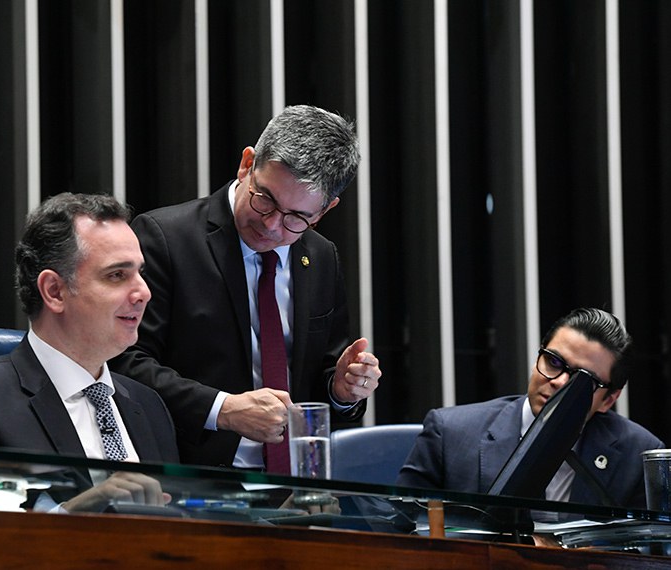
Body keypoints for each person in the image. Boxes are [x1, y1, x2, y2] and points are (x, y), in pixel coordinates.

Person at [111, 105, 382, 471]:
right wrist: (224, 409)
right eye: (265, 199)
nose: (271, 225)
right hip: (192, 475)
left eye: (296, 217)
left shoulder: (321, 256)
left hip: (296, 480)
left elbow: (319, 376)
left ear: (323, 211)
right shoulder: (165, 238)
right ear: (247, 164)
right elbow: (124, 362)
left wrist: (342, 390)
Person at [0, 192, 179, 511]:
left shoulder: (150, 406)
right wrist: (72, 514)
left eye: (141, 272)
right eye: (117, 275)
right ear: (54, 291)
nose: (144, 292)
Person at [397, 307, 665, 508]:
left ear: (608, 400)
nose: (559, 382)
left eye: (584, 382)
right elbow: (401, 531)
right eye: (554, 362)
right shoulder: (450, 433)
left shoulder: (639, 454)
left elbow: (649, 551)